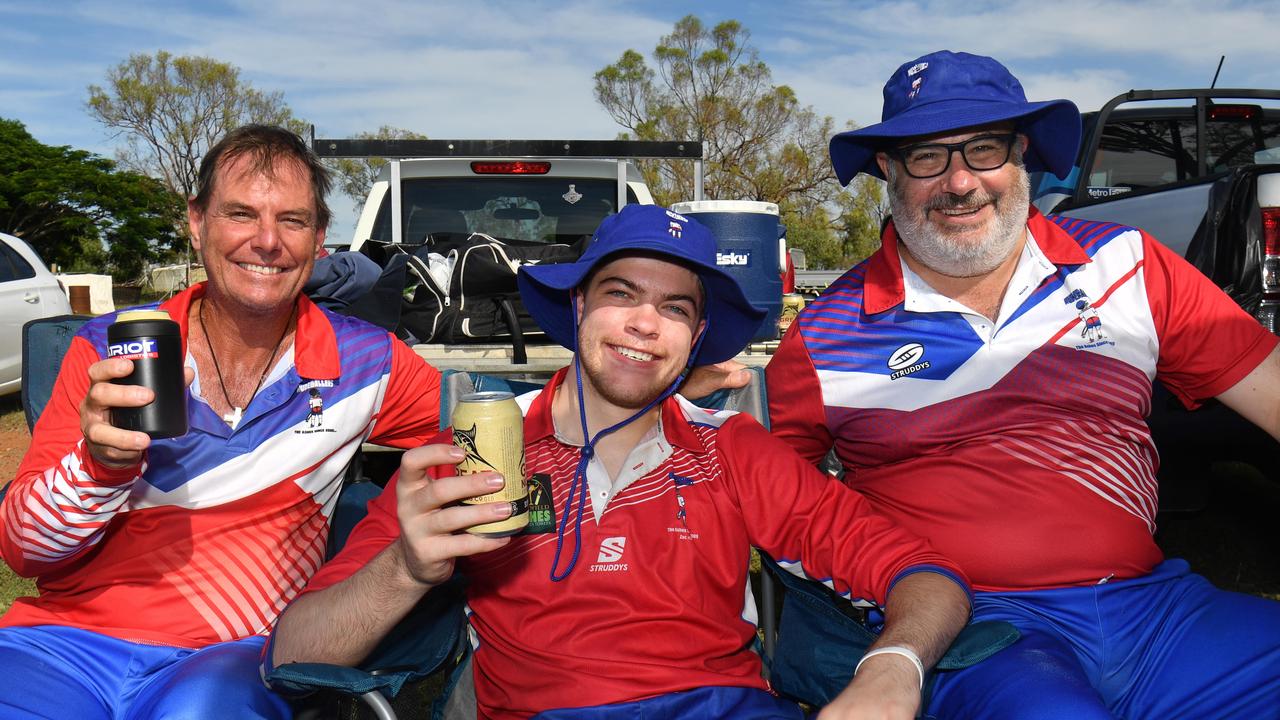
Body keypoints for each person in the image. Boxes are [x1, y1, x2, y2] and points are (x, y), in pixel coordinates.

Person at [267, 204, 973, 719]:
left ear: (696, 336)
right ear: (577, 306)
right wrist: (405, 569)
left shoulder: (731, 450)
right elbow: (295, 654)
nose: (643, 323)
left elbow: (928, 579)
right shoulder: (477, 451)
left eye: (673, 307)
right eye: (620, 294)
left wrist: (894, 664)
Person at [766, 50, 1280, 719]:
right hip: (977, 631)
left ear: (1022, 156)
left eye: (983, 149)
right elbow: (767, 504)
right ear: (888, 171)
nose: (960, 182)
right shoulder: (825, 336)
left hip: (1157, 613)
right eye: (926, 157)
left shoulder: (1127, 265)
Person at [0, 125, 446, 718]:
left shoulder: (368, 362)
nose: (267, 241)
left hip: (232, 656)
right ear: (197, 220)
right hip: (64, 644)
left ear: (318, 240)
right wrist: (99, 466)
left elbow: (508, 417)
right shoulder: (110, 347)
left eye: (291, 220)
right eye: (241, 214)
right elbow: (25, 552)